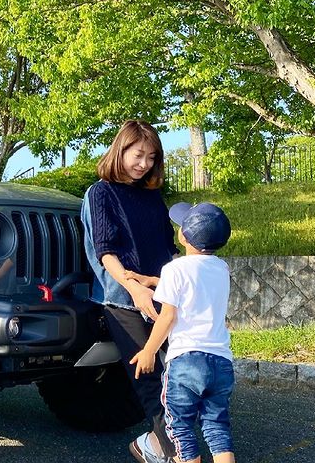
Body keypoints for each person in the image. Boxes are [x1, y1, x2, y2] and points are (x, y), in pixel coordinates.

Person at [81, 120, 178, 463]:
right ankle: (170, 453)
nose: (145, 164)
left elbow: (168, 247)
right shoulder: (101, 192)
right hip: (122, 297)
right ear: (120, 150)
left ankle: (156, 446)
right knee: (149, 377)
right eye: (138, 155)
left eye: (152, 157)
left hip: (161, 294)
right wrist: (135, 289)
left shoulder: (151, 196)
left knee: (178, 373)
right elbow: (105, 251)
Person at [130, 202, 236, 463]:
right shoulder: (221, 269)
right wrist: (154, 281)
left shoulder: (173, 269)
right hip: (221, 363)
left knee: (180, 428)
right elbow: (195, 284)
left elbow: (168, 316)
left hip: (186, 361)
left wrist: (148, 351)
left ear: (183, 236)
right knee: (217, 427)